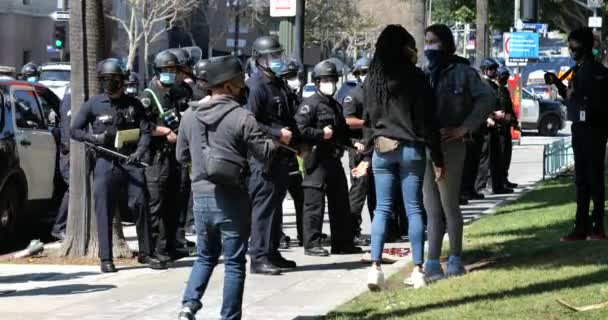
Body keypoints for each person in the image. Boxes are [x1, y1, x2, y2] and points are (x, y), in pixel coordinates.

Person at [177, 55, 277, 320]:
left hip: (200, 196)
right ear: (228, 85)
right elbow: (265, 154)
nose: (243, 85)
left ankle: (188, 305)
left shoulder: (189, 115)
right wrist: (274, 141)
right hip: (231, 197)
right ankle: (229, 317)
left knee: (205, 256)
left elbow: (181, 156)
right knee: (233, 262)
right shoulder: (242, 116)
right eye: (239, 81)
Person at [351, 25, 444, 290]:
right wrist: (437, 156)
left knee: (381, 208)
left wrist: (366, 155)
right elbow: (428, 121)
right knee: (414, 208)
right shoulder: (416, 77)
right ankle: (417, 270)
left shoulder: (373, 79)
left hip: (382, 149)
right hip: (412, 150)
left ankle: (375, 268)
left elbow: (368, 122)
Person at [71, 58, 166, 272]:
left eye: (114, 79)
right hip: (105, 161)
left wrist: (140, 152)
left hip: (131, 161)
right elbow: (74, 130)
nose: (109, 82)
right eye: (105, 79)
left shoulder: (134, 104)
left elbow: (146, 131)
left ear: (122, 80)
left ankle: (146, 253)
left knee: (141, 204)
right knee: (104, 208)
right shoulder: (93, 104)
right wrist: (94, 139)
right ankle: (106, 258)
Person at [421, 24, 494, 282]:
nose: (429, 46)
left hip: (451, 144)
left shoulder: (463, 71)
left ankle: (454, 259)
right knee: (430, 207)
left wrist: (465, 128)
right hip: (426, 145)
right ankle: (432, 262)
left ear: (446, 43)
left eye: (434, 41)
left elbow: (487, 99)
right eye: (426, 40)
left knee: (449, 204)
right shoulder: (423, 72)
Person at [295, 60, 364, 257]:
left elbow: (341, 132)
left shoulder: (334, 105)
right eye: (325, 80)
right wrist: (319, 133)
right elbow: (299, 130)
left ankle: (342, 243)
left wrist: (352, 144)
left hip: (333, 159)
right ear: (316, 82)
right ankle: (312, 243)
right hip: (316, 160)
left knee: (340, 203)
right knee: (314, 204)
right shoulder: (309, 105)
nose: (330, 84)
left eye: (332, 80)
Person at [545, 27, 608, 241]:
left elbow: (592, 102)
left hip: (592, 129)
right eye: (569, 45)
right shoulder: (580, 69)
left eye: (574, 45)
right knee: (582, 179)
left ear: (585, 46)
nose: (571, 49)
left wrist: (574, 95)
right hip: (581, 129)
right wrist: (558, 84)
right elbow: (574, 98)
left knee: (593, 178)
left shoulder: (594, 70)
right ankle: (582, 225)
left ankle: (596, 225)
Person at [246, 36, 298, 274]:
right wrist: (276, 133)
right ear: (259, 60)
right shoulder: (255, 86)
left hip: (281, 155)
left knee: (276, 207)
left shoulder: (278, 82)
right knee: (264, 208)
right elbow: (250, 122)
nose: (277, 60)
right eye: (272, 56)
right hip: (263, 157)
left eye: (278, 55)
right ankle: (258, 257)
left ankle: (272, 251)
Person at [141, 50, 194, 262]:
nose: (170, 74)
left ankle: (169, 245)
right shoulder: (148, 95)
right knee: (157, 204)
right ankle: (153, 250)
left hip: (174, 156)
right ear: (158, 71)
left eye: (173, 70)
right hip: (156, 158)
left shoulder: (174, 92)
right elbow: (143, 125)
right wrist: (164, 131)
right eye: (166, 71)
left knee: (174, 202)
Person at [343, 57, 375, 246]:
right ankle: (352, 230)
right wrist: (366, 123)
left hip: (375, 147)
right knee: (358, 191)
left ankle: (383, 230)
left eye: (368, 72)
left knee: (376, 193)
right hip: (359, 148)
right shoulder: (353, 95)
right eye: (362, 73)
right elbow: (347, 120)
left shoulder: (377, 94)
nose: (366, 76)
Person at [277, 59, 305, 247]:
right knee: (276, 197)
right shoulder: (279, 98)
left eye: (295, 76)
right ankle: (277, 235)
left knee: (300, 195)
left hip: (292, 154)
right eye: (289, 77)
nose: (293, 80)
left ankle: (305, 233)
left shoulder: (295, 98)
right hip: (278, 153)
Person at [475, 58, 513, 195]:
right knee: (485, 158)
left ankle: (498, 185)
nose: (493, 71)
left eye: (494, 69)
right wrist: (489, 116)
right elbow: (479, 106)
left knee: (497, 157)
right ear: (484, 70)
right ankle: (481, 186)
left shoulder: (494, 86)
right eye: (490, 69)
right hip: (486, 125)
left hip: (497, 125)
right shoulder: (481, 84)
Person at [51, 87, 71, 241]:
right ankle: (59, 228)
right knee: (73, 188)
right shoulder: (70, 100)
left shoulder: (66, 98)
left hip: (68, 150)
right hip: (69, 151)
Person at [496, 67, 518, 189]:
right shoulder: (496, 90)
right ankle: (501, 180)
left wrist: (514, 121)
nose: (506, 79)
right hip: (500, 128)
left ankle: (505, 178)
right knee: (502, 155)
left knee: (507, 154)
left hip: (506, 127)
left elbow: (510, 108)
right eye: (503, 77)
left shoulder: (504, 90)